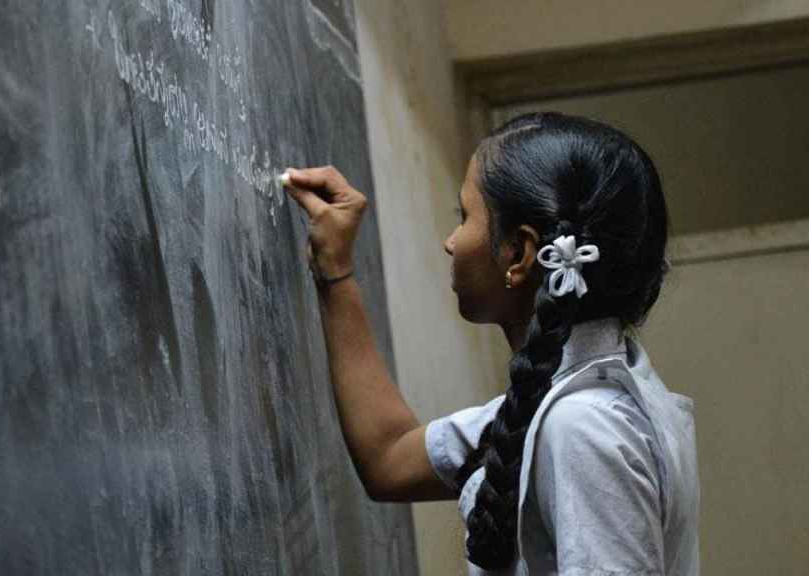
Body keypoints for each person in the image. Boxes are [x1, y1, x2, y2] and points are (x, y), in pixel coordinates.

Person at [283, 112, 699, 575]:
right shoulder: (563, 401)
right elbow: (391, 456)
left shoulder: (584, 426)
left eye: (464, 217)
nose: (450, 242)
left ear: (519, 254)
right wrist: (335, 270)